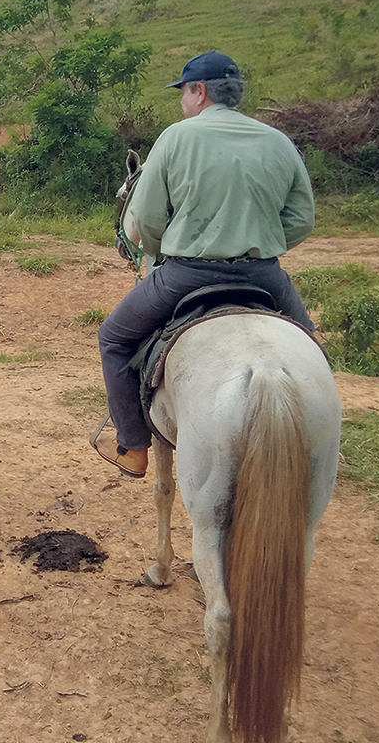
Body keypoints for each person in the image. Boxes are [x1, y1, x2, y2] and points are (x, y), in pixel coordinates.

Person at [95, 50, 317, 478]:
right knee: (311, 348)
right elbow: (301, 219)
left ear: (199, 91)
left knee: (114, 340)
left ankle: (134, 447)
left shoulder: (176, 138)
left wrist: (165, 251)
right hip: (264, 275)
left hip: (185, 274)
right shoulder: (277, 141)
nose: (181, 101)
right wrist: (263, 240)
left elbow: (147, 218)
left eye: (183, 91)